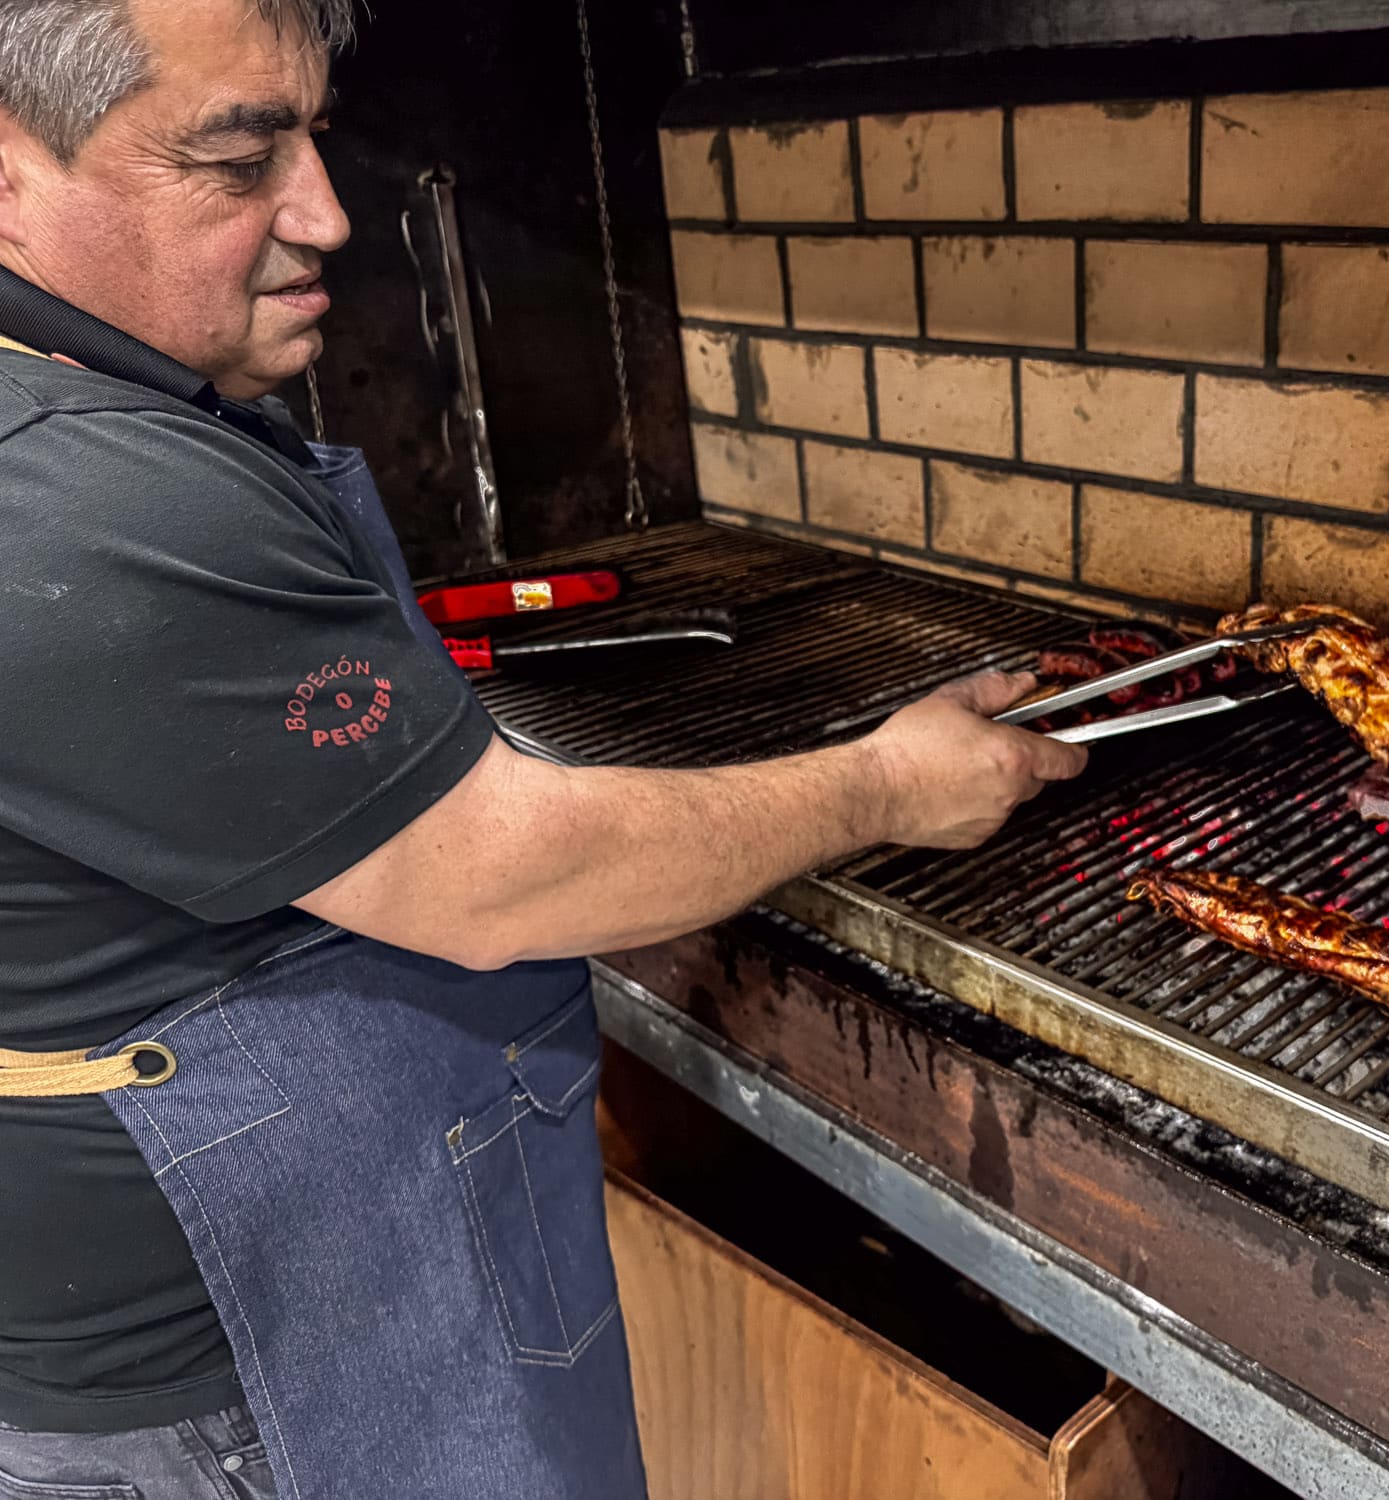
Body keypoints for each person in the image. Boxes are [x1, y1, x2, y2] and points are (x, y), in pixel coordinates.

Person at [0, 2, 1087, 1496]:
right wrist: (889, 782)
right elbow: (496, 875)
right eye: (239, 158)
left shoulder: (74, 396)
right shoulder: (81, 496)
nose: (325, 213)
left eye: (310, 135)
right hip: (252, 1374)